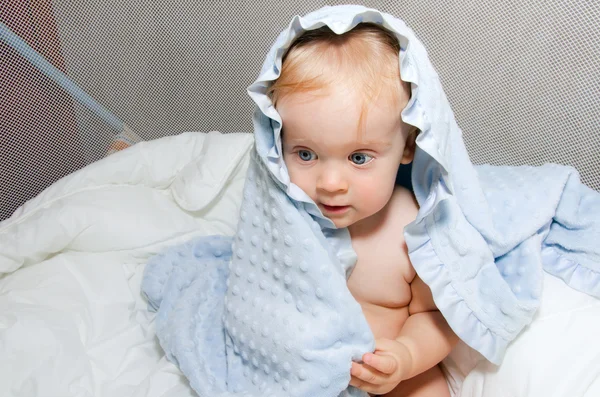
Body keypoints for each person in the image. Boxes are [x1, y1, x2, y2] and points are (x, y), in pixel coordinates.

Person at [267, 23, 459, 396]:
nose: (330, 182)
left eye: (358, 157)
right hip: (303, 370)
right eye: (305, 154)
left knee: (428, 389)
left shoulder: (414, 228)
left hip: (389, 373)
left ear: (406, 148)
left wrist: (405, 356)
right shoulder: (280, 212)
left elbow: (435, 315)